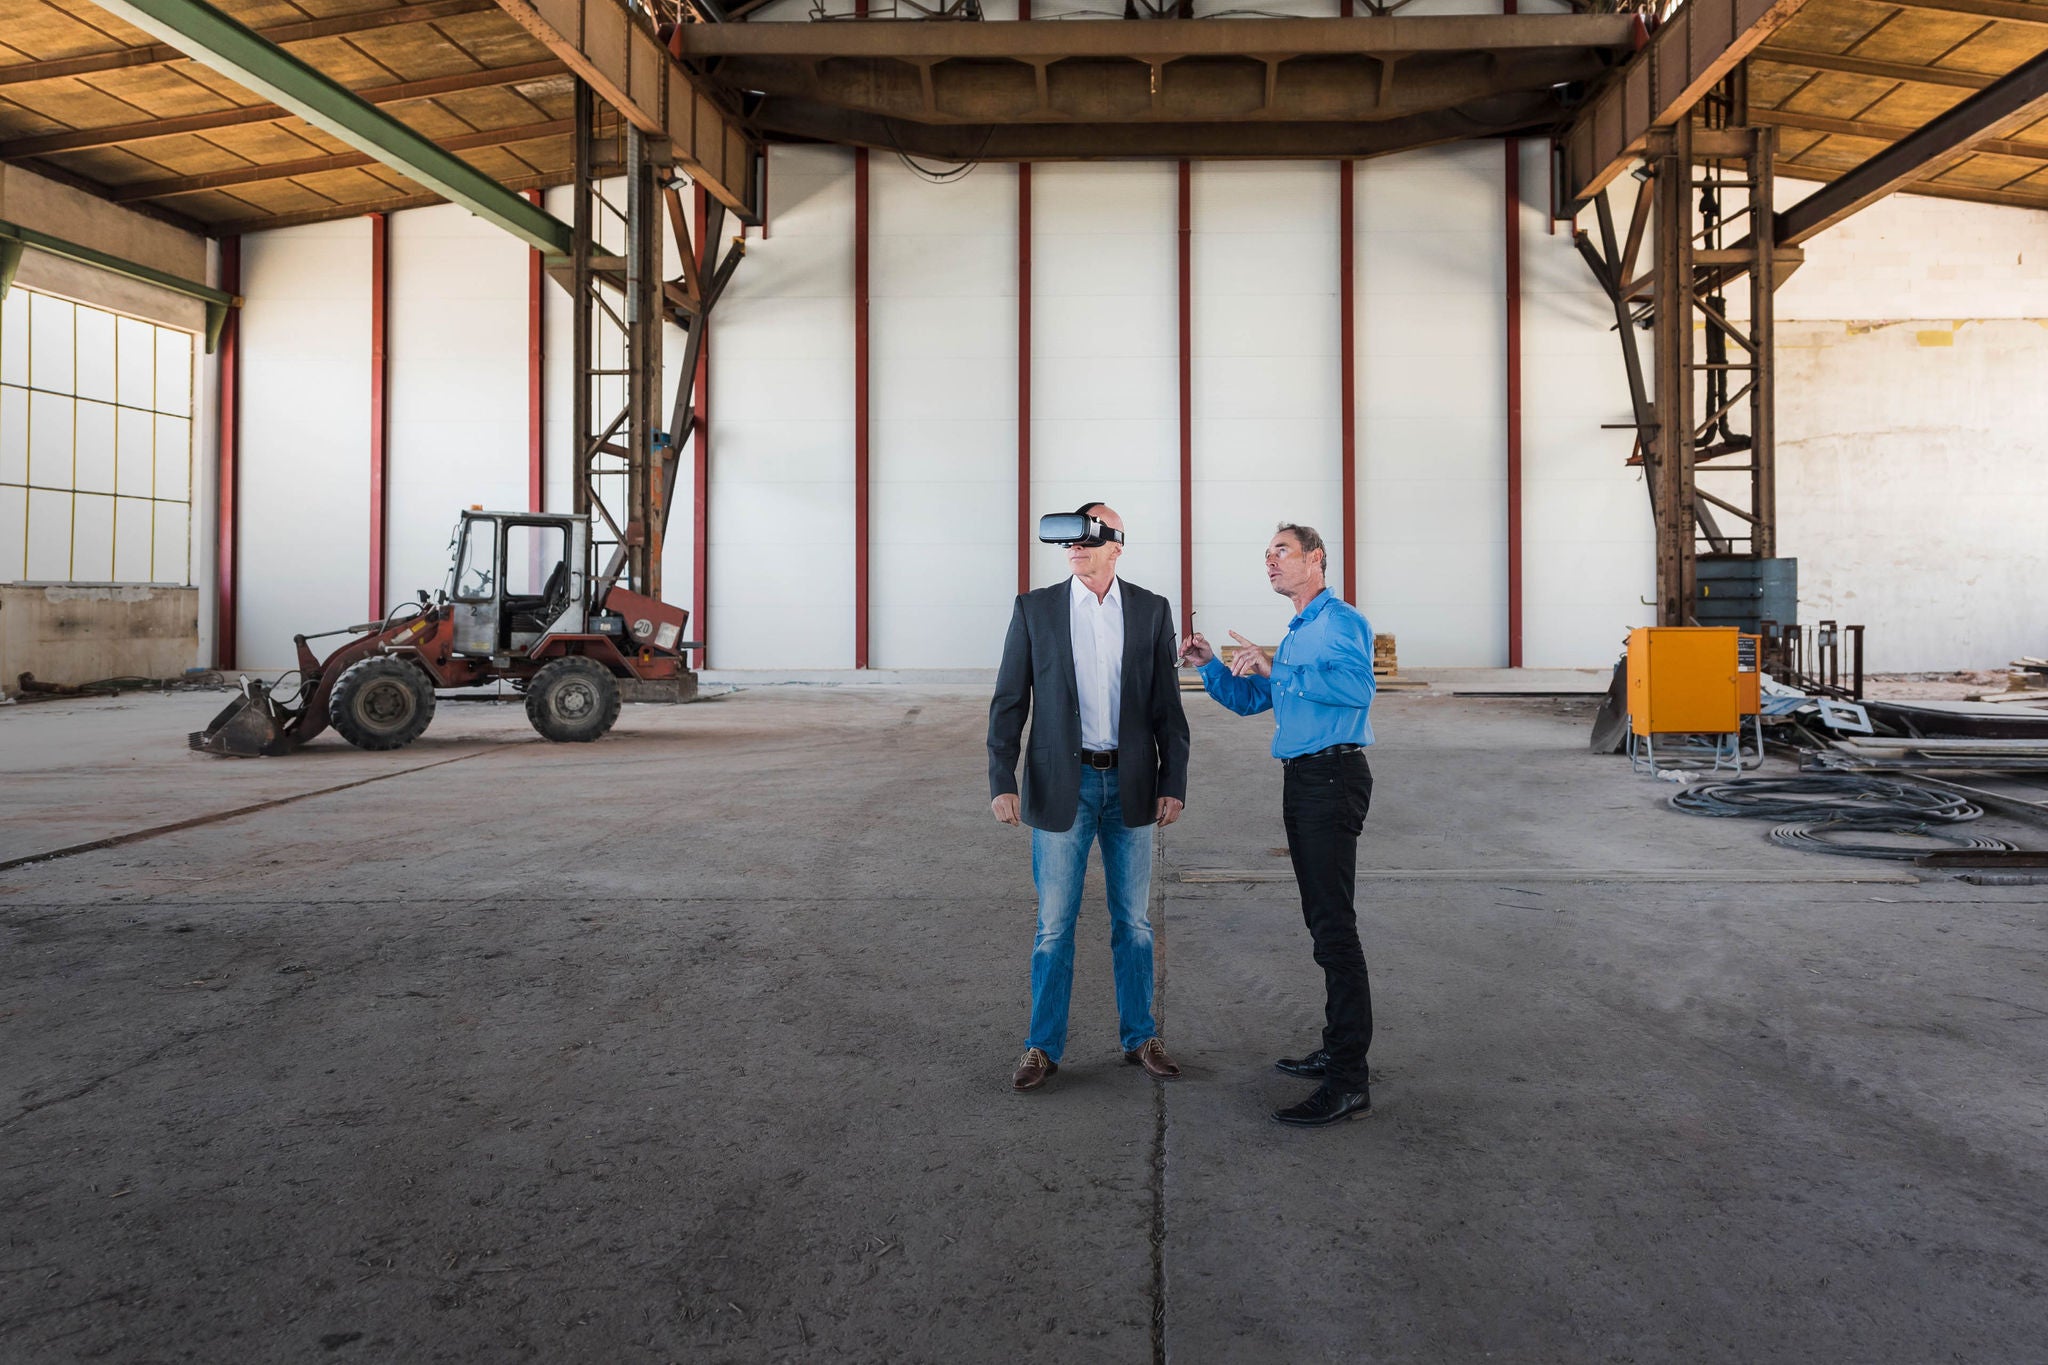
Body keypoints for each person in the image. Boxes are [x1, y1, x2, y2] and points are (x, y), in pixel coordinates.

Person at [988, 502, 1191, 1093]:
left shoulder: (1151, 611)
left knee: (1134, 923)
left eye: (1088, 539)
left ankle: (1140, 1037)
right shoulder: (1036, 610)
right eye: (1068, 542)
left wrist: (1172, 781)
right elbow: (1008, 701)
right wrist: (1002, 777)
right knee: (1054, 925)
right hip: (1061, 785)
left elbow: (1166, 710)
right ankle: (1042, 1046)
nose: (1075, 549)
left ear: (1116, 547)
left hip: (1130, 783)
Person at [1180, 522, 1377, 1127]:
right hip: (1305, 778)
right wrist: (1212, 664)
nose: (1270, 561)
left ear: (1316, 559)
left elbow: (1357, 685)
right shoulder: (1298, 633)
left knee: (1334, 928)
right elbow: (1249, 702)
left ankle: (1349, 1081)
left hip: (1331, 777)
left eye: (1282, 551)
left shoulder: (1340, 622)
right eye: (1265, 554)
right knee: (1322, 922)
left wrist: (1276, 668)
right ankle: (1337, 1047)